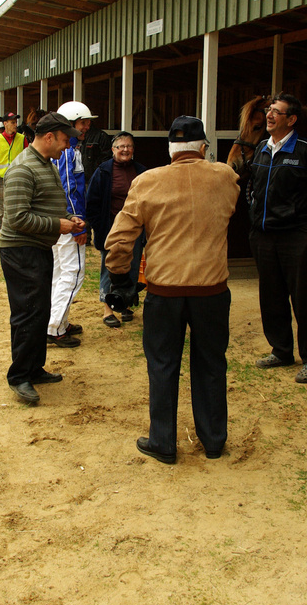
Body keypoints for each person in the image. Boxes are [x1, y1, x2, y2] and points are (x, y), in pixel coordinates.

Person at [105, 117, 240, 463]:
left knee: (162, 364)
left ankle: (163, 442)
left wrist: (120, 276)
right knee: (211, 363)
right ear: (203, 147)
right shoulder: (225, 177)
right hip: (211, 288)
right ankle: (213, 440)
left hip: (164, 290)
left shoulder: (147, 181)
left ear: (169, 149)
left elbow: (120, 237)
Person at [248, 92, 307, 384]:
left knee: (304, 300)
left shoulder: (306, 150)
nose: (269, 115)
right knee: (271, 297)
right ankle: (281, 351)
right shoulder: (261, 148)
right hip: (264, 238)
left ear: (291, 120)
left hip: (297, 238)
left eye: (276, 111)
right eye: (269, 110)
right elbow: (252, 186)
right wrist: (253, 212)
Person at [0, 111, 85, 405]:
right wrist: (57, 225)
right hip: (21, 251)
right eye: (64, 139)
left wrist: (67, 217)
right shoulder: (23, 168)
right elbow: (16, 218)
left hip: (36, 249)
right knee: (26, 313)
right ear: (49, 137)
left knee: (38, 310)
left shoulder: (45, 163)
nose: (68, 145)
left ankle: (34, 368)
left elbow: (43, 205)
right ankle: (19, 376)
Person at [46, 102, 94, 347]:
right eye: (83, 122)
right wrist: (79, 225)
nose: (87, 127)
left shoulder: (68, 149)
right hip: (69, 222)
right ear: (70, 123)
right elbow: (69, 190)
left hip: (59, 221)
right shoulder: (67, 152)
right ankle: (55, 328)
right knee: (73, 273)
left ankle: (57, 322)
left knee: (59, 274)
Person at [86, 132, 146, 328]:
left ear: (133, 150)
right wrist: (99, 228)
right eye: (121, 146)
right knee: (110, 268)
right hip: (111, 230)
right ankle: (108, 310)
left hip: (135, 230)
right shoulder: (103, 171)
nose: (125, 150)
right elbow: (92, 202)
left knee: (132, 266)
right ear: (113, 150)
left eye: (129, 146)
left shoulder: (142, 172)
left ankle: (125, 304)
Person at [0, 113, 29, 228]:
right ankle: (2, 228)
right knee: (2, 205)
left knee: (18, 204)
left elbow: (27, 156)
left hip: (17, 178)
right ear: (5, 124)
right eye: (12, 122)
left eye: (16, 122)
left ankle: (15, 227)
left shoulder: (22, 139)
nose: (15, 125)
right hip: (1, 178)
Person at [81, 117, 113, 186]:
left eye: (83, 122)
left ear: (88, 122)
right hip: (77, 182)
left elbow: (106, 162)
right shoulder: (74, 137)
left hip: (94, 183)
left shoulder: (101, 136)